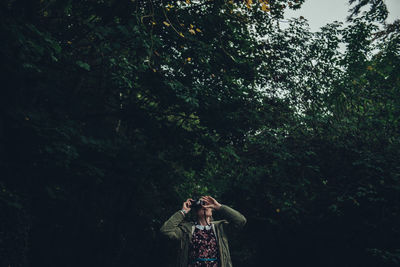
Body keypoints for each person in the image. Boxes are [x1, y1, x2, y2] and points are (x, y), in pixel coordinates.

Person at [160, 195, 246, 267]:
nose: (205, 207)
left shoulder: (220, 227)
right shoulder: (187, 229)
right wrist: (183, 211)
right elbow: (166, 231)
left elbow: (241, 221)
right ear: (196, 210)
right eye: (201, 205)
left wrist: (218, 206)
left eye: (208, 205)